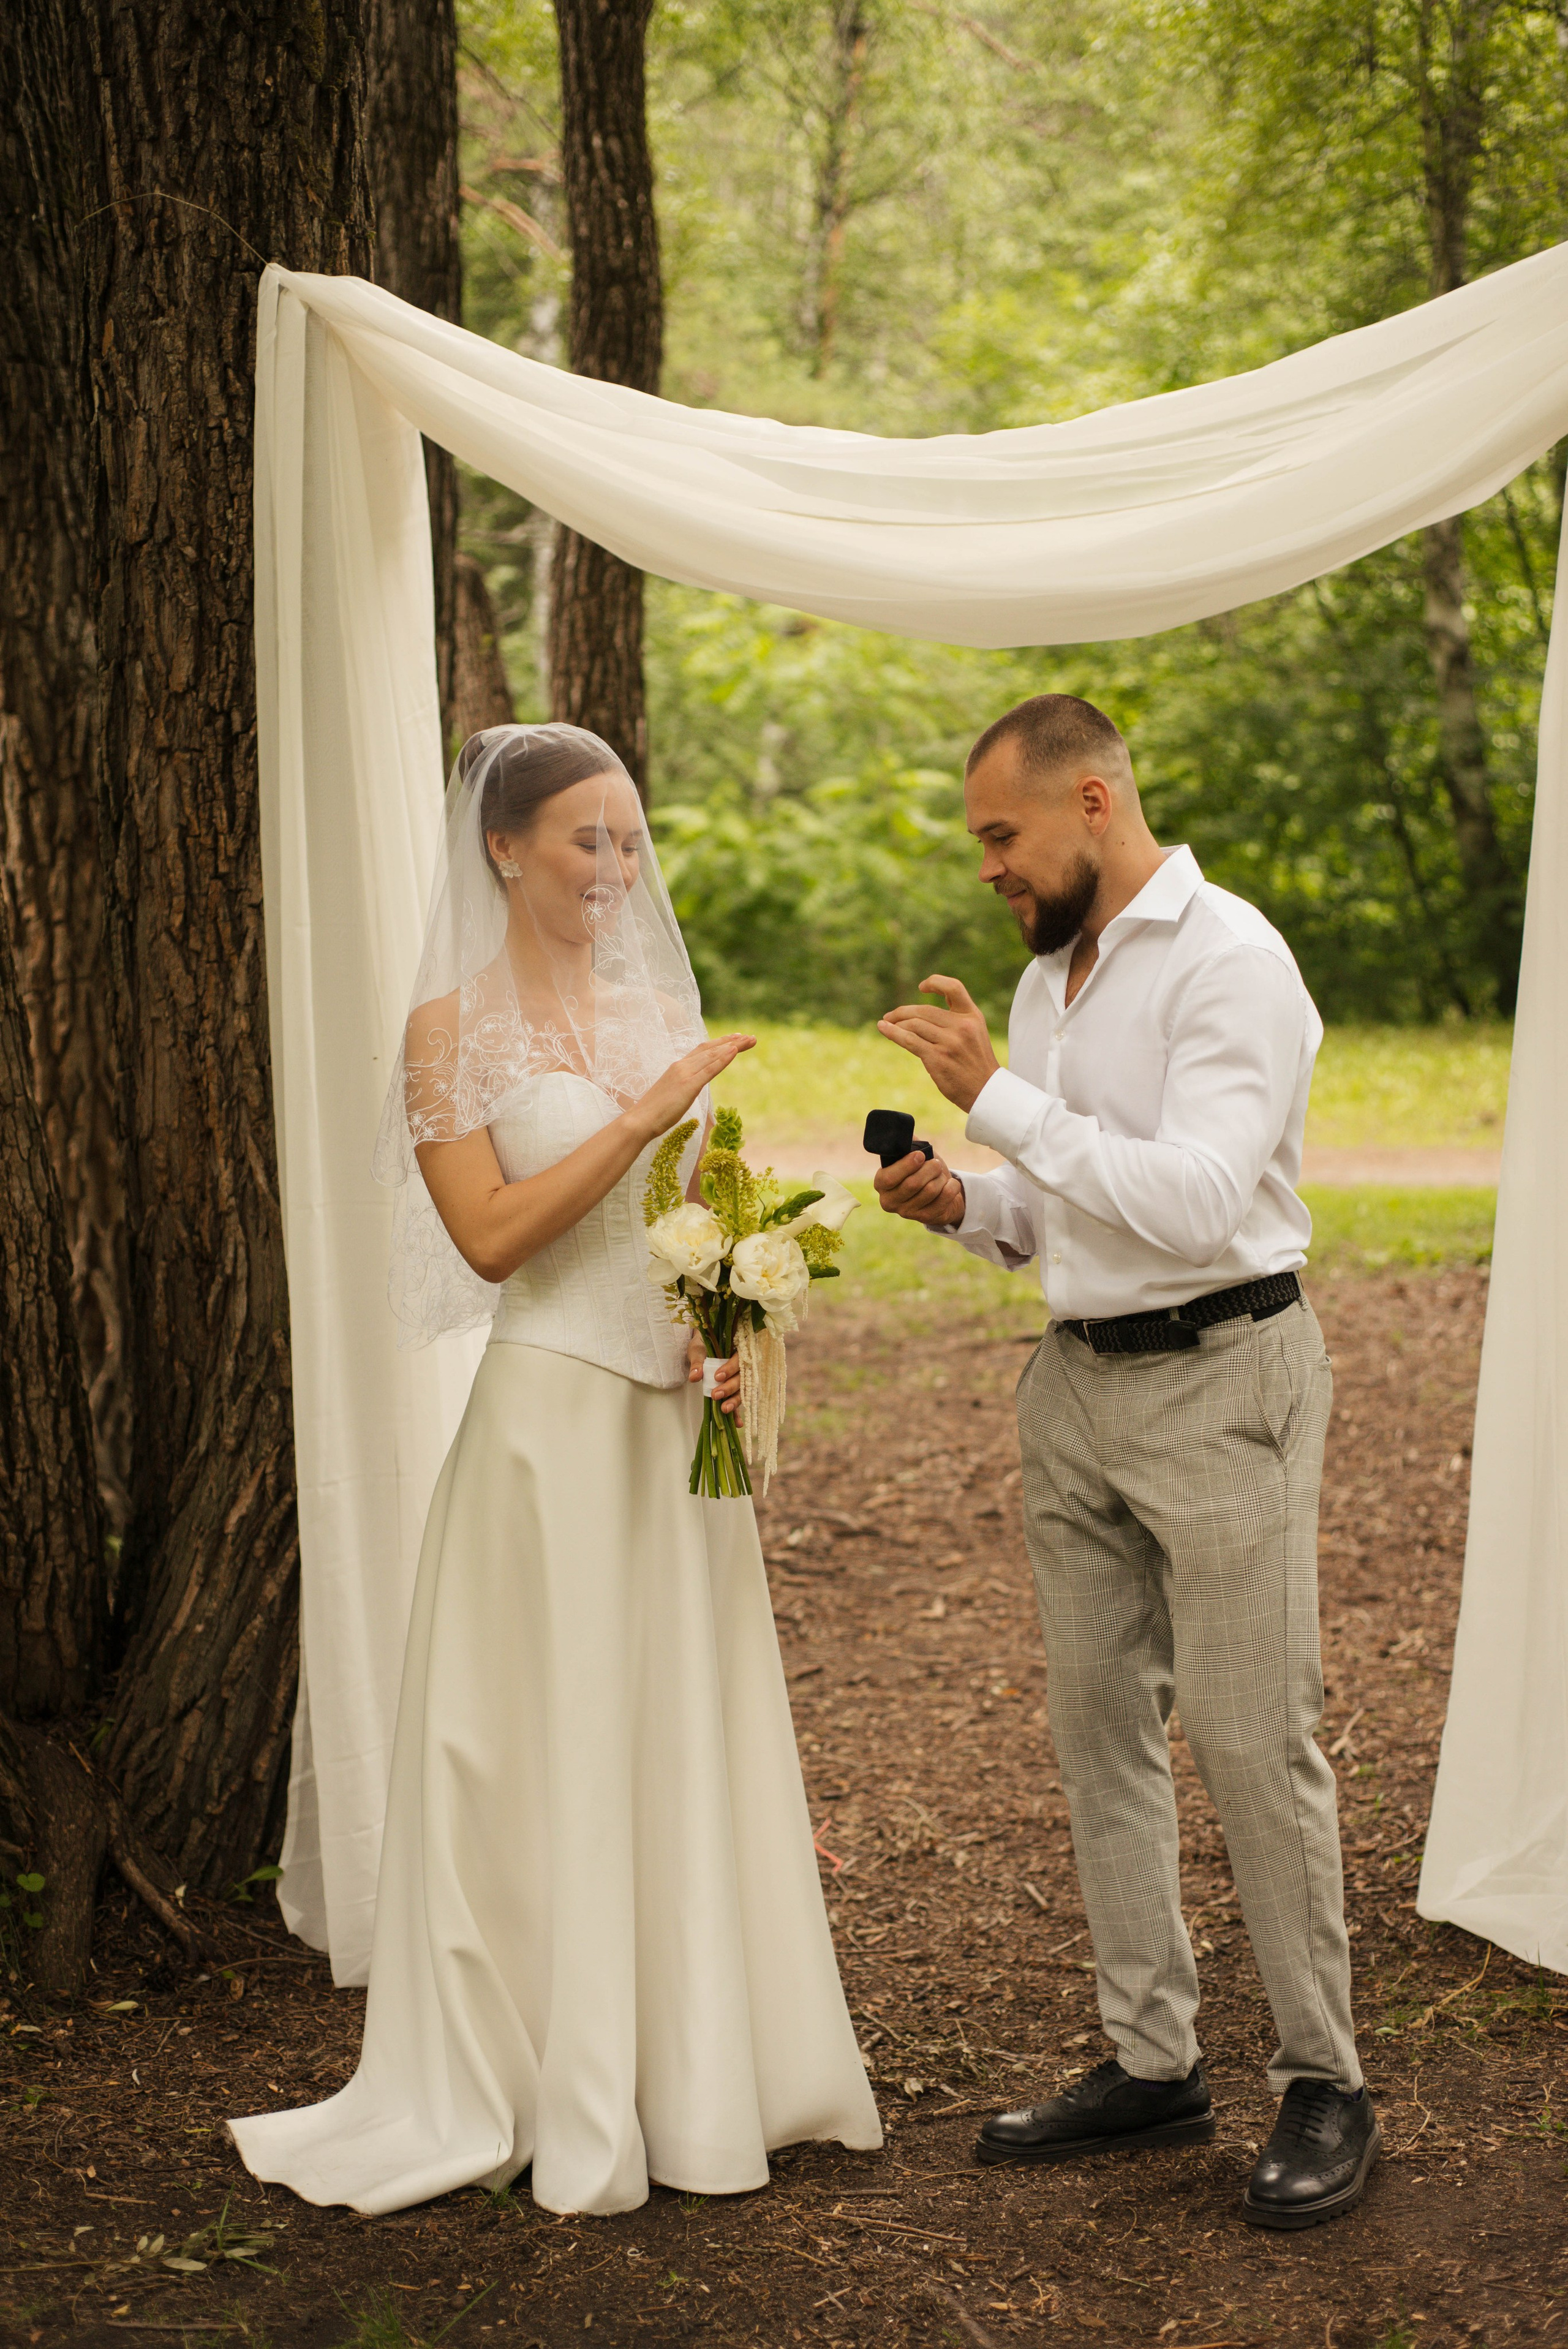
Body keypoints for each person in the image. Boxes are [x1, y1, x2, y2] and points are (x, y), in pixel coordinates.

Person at [230, 724, 880, 2217]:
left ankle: (694, 2073)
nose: (615, 868)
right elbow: (490, 1238)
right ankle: (539, 2071)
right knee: (549, 1743)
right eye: (588, 839)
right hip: (545, 1431)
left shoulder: (659, 1010)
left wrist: (728, 1336)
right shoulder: (447, 1032)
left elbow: (695, 1224)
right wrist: (641, 1114)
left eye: (630, 841)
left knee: (672, 1735)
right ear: (503, 846)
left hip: (667, 1446)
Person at [873, 693, 1378, 2231]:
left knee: (1249, 1736)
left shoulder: (1231, 959)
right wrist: (965, 1199)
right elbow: (1065, 1206)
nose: (988, 868)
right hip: (1076, 1387)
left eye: (1001, 835)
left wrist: (996, 1098)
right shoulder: (1050, 980)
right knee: (1100, 1730)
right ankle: (1152, 2058)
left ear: (1091, 802)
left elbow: (1199, 1198)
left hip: (1225, 1378)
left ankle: (1324, 2078)